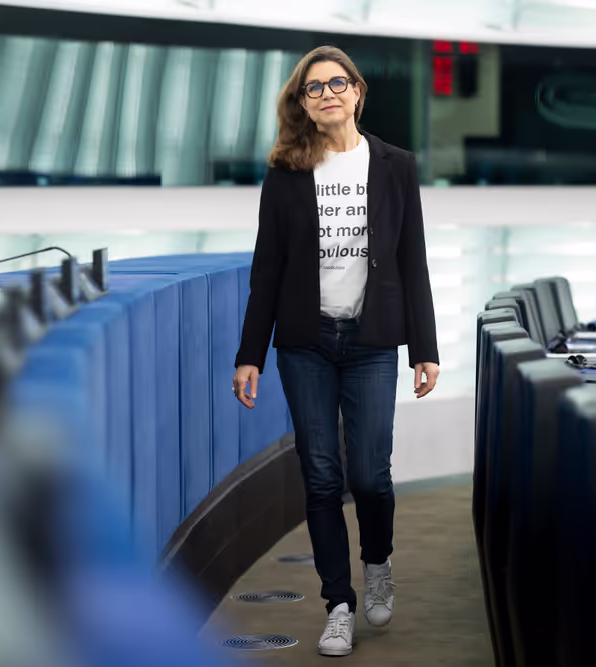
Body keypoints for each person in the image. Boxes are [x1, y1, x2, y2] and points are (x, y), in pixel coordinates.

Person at [232, 45, 439, 657]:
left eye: (335, 83)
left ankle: (378, 563)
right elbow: (267, 270)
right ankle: (338, 604)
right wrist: (250, 354)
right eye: (313, 88)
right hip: (306, 343)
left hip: (372, 340)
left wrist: (424, 348)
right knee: (322, 476)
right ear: (302, 103)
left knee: (370, 476)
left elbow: (413, 260)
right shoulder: (287, 172)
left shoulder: (396, 165)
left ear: (357, 91)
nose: (326, 94)